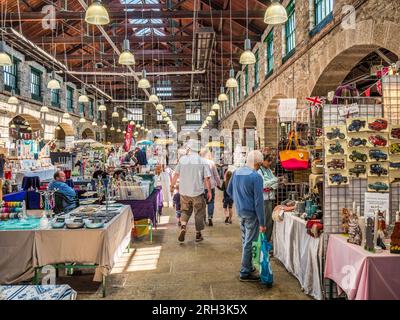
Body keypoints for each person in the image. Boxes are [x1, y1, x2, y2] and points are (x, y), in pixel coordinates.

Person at [227, 150, 266, 282]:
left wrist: (238, 201)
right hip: (251, 214)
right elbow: (259, 202)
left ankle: (248, 267)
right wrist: (262, 223)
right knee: (249, 242)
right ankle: (245, 272)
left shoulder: (237, 172)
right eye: (260, 164)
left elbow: (228, 190)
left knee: (245, 240)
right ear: (258, 163)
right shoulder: (256, 177)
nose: (260, 166)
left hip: (240, 212)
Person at [170, 139, 212, 243]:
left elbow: (176, 174)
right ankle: (198, 234)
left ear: (189, 148)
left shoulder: (183, 160)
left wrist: (172, 186)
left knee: (185, 211)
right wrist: (210, 191)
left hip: (184, 192)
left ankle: (183, 227)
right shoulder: (202, 161)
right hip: (197, 192)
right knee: (199, 212)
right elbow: (207, 178)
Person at [258, 153, 279, 243]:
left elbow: (275, 184)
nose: (269, 163)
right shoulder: (259, 171)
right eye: (268, 161)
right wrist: (275, 180)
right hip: (264, 199)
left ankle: (267, 241)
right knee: (266, 222)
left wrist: (271, 186)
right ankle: (264, 242)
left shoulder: (269, 170)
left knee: (270, 222)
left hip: (270, 198)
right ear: (263, 161)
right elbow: (263, 185)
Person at [199, 148, 221, 226]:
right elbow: (216, 175)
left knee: (203, 203)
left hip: (201, 186)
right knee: (211, 202)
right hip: (211, 186)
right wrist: (219, 184)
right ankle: (210, 217)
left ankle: (204, 218)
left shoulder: (199, 163)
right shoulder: (211, 163)